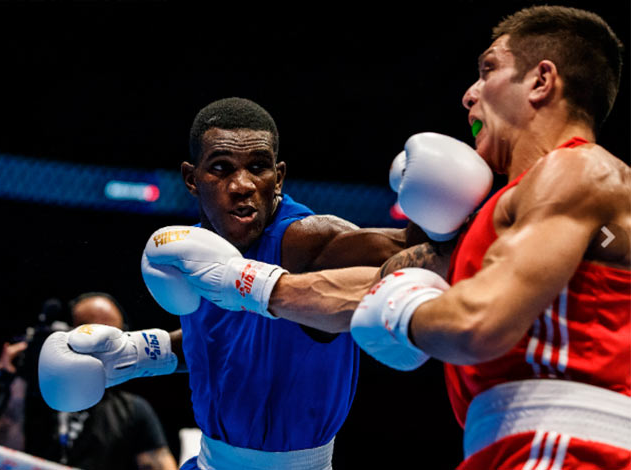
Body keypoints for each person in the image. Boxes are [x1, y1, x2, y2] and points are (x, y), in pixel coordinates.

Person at [140, 6, 629, 469]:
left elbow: (474, 323)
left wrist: (399, 306)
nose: (469, 94)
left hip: (572, 442)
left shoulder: (577, 169)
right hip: (506, 439)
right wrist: (239, 283)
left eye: (488, 70)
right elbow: (373, 285)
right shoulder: (499, 217)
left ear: (541, 81)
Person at [38, 97, 486, 469]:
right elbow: (225, 342)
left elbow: (430, 250)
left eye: (258, 167)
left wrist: (446, 218)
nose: (243, 184)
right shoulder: (194, 251)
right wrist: (140, 354)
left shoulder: (307, 240)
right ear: (192, 180)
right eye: (221, 168)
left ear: (280, 176)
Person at [0, 293, 178, 470]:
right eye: (88, 331)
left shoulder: (132, 410)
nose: (98, 347)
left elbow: (160, 464)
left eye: (110, 338)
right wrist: (18, 387)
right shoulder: (29, 398)